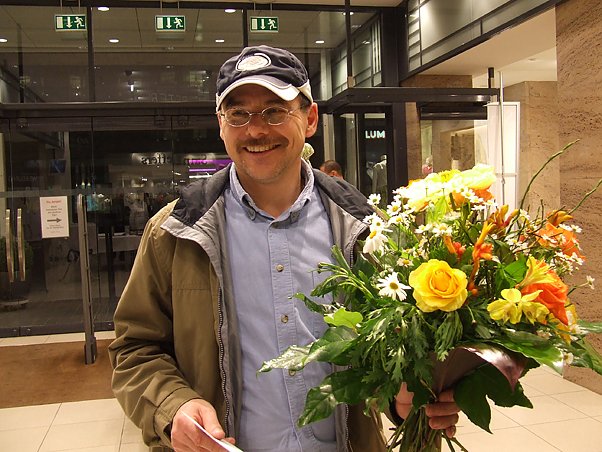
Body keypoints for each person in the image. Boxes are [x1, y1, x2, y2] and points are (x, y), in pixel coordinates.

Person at [109, 45, 460, 452]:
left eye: (275, 111)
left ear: (310, 119)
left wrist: (405, 402)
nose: (256, 130)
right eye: (238, 114)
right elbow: (134, 348)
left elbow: (395, 353)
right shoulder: (174, 233)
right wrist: (174, 405)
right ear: (221, 125)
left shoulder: (368, 231)